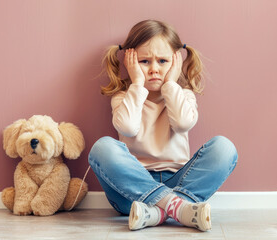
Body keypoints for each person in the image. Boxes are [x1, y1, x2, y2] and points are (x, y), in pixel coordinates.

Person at [88, 19, 238, 231]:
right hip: (130, 192)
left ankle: (157, 212)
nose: (154, 69)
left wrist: (170, 84)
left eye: (162, 61)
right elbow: (128, 128)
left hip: (179, 182)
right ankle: (176, 208)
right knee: (102, 148)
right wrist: (137, 84)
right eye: (145, 61)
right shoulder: (124, 97)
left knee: (225, 148)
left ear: (175, 62)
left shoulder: (183, 95)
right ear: (130, 62)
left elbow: (183, 123)